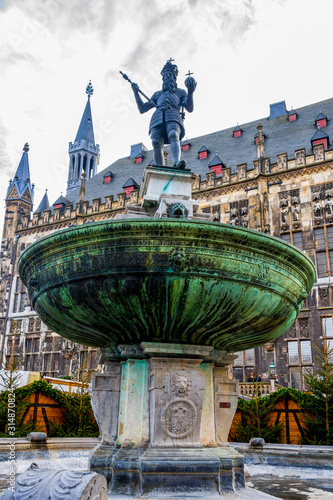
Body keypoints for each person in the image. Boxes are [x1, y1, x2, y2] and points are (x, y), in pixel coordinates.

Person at [131, 60, 197, 168]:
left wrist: (190, 92)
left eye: (170, 75)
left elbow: (189, 107)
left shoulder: (180, 92)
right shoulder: (158, 94)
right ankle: (159, 167)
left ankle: (176, 162)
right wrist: (136, 93)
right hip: (157, 118)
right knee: (155, 141)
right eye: (166, 76)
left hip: (173, 115)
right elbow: (142, 109)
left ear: (174, 78)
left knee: (173, 134)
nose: (168, 77)